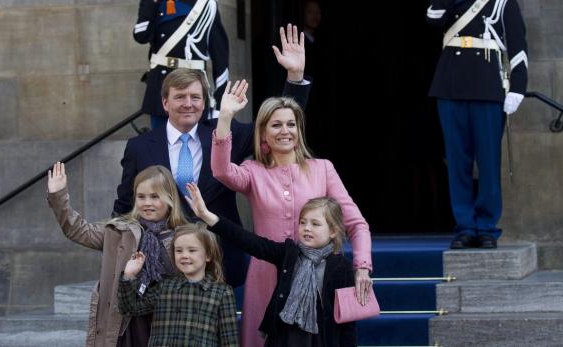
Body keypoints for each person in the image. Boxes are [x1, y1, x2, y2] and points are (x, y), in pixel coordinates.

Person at [113, 24, 310, 288]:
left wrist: (295, 77)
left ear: (205, 103)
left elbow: (277, 126)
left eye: (196, 97)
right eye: (180, 96)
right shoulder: (139, 147)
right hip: (161, 261)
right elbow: (125, 204)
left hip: (220, 255)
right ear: (165, 103)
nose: (188, 103)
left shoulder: (225, 134)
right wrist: (117, 254)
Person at [212, 77, 373, 346]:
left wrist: (363, 267)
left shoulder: (323, 168)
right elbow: (221, 171)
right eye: (276, 125)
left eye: (291, 124)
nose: (285, 130)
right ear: (263, 133)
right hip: (266, 279)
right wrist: (225, 116)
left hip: (321, 279)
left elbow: (356, 224)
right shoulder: (253, 171)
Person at [186, 183, 357, 346]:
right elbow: (249, 241)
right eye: (303, 222)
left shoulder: (342, 267)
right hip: (283, 339)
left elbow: (348, 321)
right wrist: (206, 215)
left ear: (333, 231)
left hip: (321, 340)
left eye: (315, 224)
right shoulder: (289, 254)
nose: (306, 228)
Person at [47, 163, 188, 347]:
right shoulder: (119, 231)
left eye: (155, 197)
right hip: (124, 325)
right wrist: (59, 197)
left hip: (166, 324)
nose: (147, 203)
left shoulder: (184, 237)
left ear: (170, 199)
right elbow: (78, 230)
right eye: (141, 197)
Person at [426, 0, 528, 249]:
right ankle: (465, 226)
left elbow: (518, 48)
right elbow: (432, 18)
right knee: (457, 162)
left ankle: (486, 227)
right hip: (450, 85)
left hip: (487, 87)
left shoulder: (502, 3)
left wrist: (518, 88)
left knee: (488, 162)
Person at [117, 223, 238, 347]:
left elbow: (229, 341)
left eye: (192, 250)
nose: (184, 255)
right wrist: (129, 275)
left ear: (208, 255)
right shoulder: (164, 287)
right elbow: (130, 308)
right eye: (179, 250)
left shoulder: (222, 292)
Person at [133, 0, 229, 129]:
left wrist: (220, 102)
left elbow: (220, 56)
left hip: (193, 87)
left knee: (196, 145)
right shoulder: (155, 2)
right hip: (161, 88)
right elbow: (141, 35)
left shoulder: (206, 5)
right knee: (161, 146)